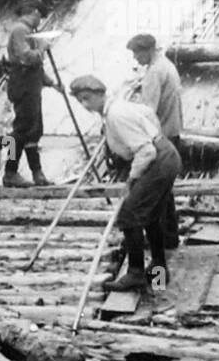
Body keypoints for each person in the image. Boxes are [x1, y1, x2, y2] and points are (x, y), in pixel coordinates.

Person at [70, 74, 180, 294]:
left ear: (100, 94)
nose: (85, 105)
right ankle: (159, 271)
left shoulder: (116, 115)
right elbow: (149, 115)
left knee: (129, 214)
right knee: (150, 215)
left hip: (157, 160)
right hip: (166, 154)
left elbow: (146, 151)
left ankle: (136, 274)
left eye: (88, 98)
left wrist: (132, 178)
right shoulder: (117, 108)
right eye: (81, 100)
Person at [128, 32, 183, 248]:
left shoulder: (154, 72)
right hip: (172, 130)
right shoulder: (167, 65)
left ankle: (162, 239)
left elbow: (148, 111)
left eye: (137, 53)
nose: (135, 58)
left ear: (148, 50)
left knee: (156, 191)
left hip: (161, 135)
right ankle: (170, 236)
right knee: (165, 190)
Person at [4, 0, 60, 187]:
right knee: (18, 132)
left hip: (32, 87)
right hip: (23, 87)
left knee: (34, 131)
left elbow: (37, 68)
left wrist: (52, 83)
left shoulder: (29, 32)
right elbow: (27, 58)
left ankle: (37, 173)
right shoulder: (19, 30)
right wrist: (42, 48)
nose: (40, 20)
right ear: (34, 12)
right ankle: (9, 172)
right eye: (40, 15)